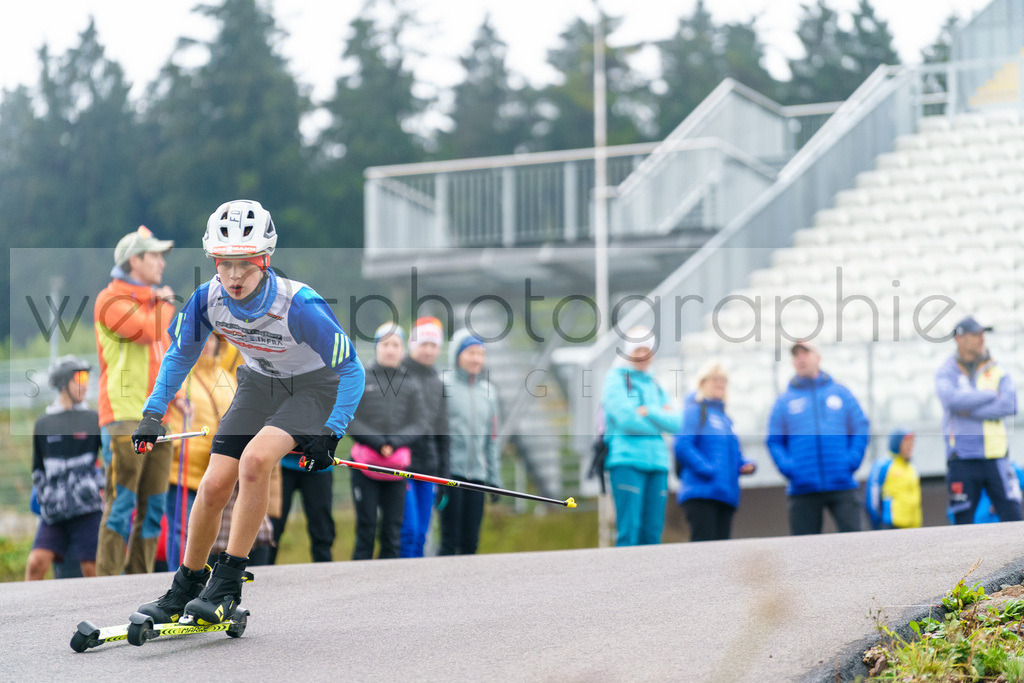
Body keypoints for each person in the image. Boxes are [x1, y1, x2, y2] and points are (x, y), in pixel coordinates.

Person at [130, 199, 364, 626]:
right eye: (225, 263)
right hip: (259, 384)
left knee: (256, 461)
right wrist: (152, 412)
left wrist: (332, 432)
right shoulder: (208, 298)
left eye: (245, 264)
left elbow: (352, 369)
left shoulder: (300, 304)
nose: (234, 276)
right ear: (214, 260)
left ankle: (228, 582)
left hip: (314, 388)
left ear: (265, 260)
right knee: (216, 480)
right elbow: (179, 355)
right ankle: (186, 584)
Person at [94, 225, 178, 575]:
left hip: (160, 417)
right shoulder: (109, 299)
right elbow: (146, 332)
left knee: (155, 506)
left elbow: (166, 354)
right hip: (124, 415)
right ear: (134, 261)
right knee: (123, 502)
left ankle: (139, 581)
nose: (161, 262)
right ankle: (106, 582)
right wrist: (167, 304)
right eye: (154, 255)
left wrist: (180, 394)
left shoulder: (154, 302)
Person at [766, 340, 870, 535]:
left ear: (818, 356)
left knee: (856, 545)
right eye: (796, 354)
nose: (801, 358)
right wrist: (790, 469)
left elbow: (860, 427)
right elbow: (774, 441)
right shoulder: (784, 402)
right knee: (803, 553)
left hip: (842, 483)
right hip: (802, 488)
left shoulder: (841, 393)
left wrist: (851, 461)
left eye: (806, 352)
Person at [347, 323, 426, 560]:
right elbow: (350, 418)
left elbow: (420, 423)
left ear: (403, 350)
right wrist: (377, 442)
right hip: (363, 466)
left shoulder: (411, 383)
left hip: (397, 469)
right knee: (366, 527)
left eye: (395, 345)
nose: (390, 350)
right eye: (385, 344)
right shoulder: (361, 377)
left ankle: (387, 590)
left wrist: (394, 441)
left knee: (393, 530)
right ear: (376, 347)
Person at [936, 316, 1022, 525]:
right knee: (962, 525)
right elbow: (951, 400)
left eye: (982, 334)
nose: (981, 339)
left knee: (1015, 520)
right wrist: (989, 394)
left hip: (997, 457)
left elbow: (1010, 405)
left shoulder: (996, 369)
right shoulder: (947, 370)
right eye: (975, 335)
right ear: (959, 338)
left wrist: (969, 409)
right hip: (962, 459)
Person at [163, 333, 238, 567]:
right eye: (201, 338)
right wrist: (175, 448)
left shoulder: (227, 378)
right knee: (181, 530)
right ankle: (179, 578)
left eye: (212, 338)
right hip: (183, 470)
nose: (207, 344)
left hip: (219, 471)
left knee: (212, 533)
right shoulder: (179, 377)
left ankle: (202, 577)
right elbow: (170, 419)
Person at [25, 356, 103, 580]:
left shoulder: (92, 418)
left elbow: (106, 460)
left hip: (87, 510)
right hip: (54, 511)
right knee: (36, 563)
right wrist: (47, 498)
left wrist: (96, 488)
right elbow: (38, 469)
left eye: (86, 377)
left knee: (91, 568)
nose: (85, 384)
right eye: (79, 378)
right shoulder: (43, 423)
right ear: (63, 384)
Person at [601, 326, 680, 547]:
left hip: (657, 463)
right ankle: (624, 581)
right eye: (637, 350)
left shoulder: (655, 383)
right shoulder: (615, 380)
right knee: (630, 530)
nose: (643, 356)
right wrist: (660, 422)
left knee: (653, 531)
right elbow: (627, 420)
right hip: (627, 462)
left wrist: (650, 412)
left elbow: (677, 423)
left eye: (647, 350)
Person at [673, 359, 756, 542]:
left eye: (724, 380)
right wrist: (707, 469)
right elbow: (682, 445)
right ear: (702, 383)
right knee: (705, 555)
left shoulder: (726, 420)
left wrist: (747, 464)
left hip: (726, 495)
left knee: (721, 556)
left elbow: (734, 456)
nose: (720, 383)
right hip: (701, 493)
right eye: (715, 378)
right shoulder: (694, 411)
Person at [439, 329, 502, 555]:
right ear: (457, 355)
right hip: (449, 476)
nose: (476, 358)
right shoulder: (442, 385)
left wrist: (494, 479)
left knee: (470, 542)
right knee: (449, 540)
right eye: (470, 352)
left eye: (480, 353)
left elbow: (491, 440)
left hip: (477, 477)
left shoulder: (489, 392)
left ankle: (467, 590)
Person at [399, 316, 449, 558]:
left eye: (433, 345)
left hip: (428, 466)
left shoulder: (437, 382)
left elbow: (443, 434)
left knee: (422, 534)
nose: (428, 350)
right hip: (401, 463)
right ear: (412, 345)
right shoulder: (399, 374)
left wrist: (444, 477)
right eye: (423, 344)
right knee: (407, 531)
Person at [865, 429, 922, 530]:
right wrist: (877, 523)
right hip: (891, 525)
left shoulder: (912, 468)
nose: (910, 447)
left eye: (912, 444)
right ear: (897, 444)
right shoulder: (884, 465)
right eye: (907, 444)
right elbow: (873, 496)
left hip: (913, 526)